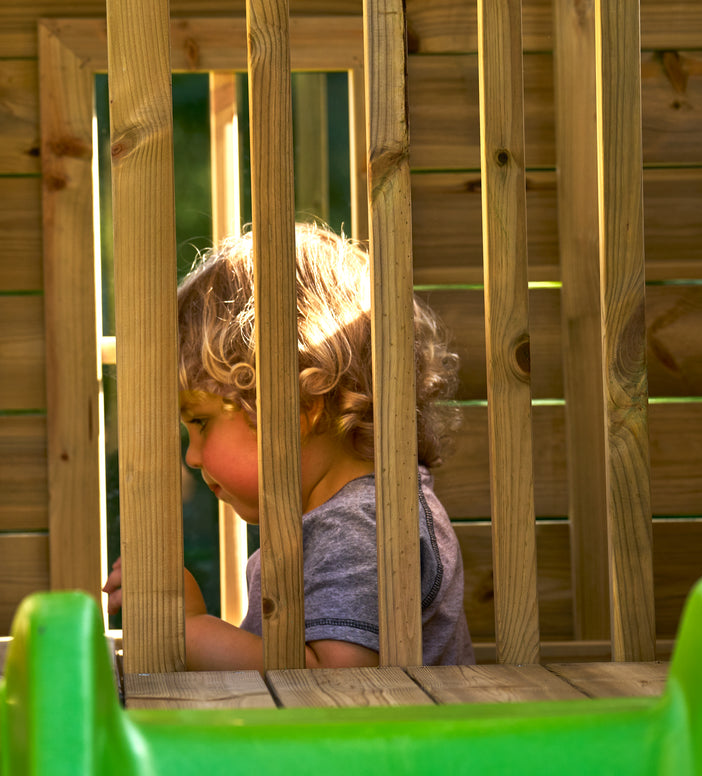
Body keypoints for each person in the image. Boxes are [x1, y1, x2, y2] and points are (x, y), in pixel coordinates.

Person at [104, 222, 475, 671]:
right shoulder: (348, 514)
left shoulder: (361, 526)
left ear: (296, 405)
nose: (192, 456)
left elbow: (334, 687)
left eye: (201, 422)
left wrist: (188, 628)